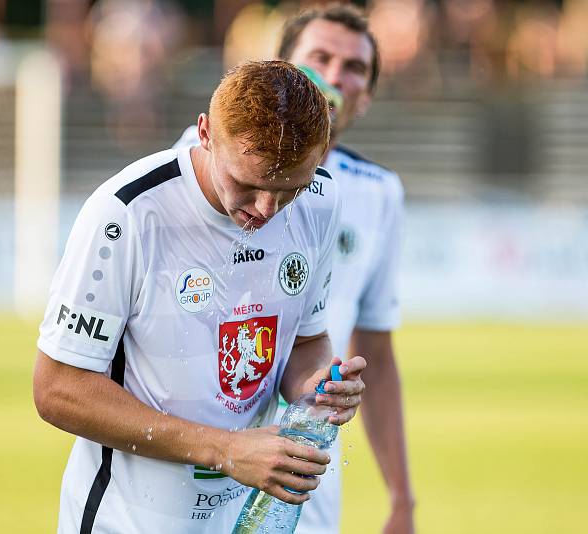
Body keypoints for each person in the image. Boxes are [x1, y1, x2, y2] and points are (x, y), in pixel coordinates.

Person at [33, 60, 367, 533]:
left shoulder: (321, 200)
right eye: (248, 185)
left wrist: (316, 388)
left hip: (242, 517)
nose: (266, 210)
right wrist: (224, 449)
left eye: (288, 189)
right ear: (205, 134)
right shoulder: (126, 214)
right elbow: (57, 389)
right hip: (127, 520)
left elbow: (306, 341)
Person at [175, 4, 414, 534]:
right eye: (319, 58)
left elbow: (373, 349)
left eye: (353, 68)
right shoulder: (198, 170)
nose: (333, 77)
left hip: (302, 480)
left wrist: (401, 497)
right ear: (279, 68)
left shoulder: (376, 194)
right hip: (193, 476)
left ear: (367, 96)